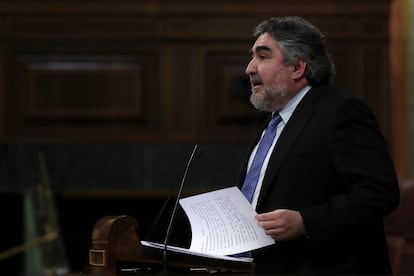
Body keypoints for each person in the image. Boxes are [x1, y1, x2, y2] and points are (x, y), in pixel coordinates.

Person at [238, 16, 400, 274]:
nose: (249, 68)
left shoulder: (341, 111)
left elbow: (379, 192)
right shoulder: (273, 123)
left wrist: (306, 222)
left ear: (297, 67)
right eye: (252, 57)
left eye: (263, 56)